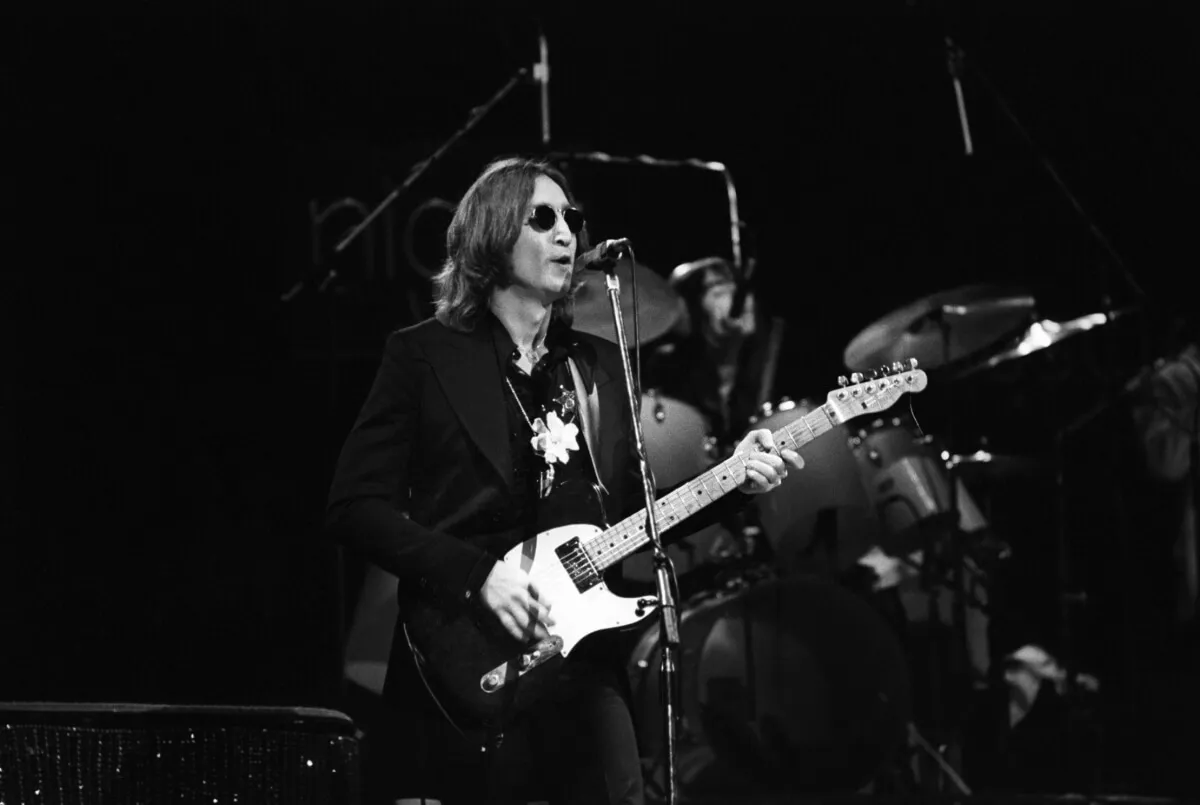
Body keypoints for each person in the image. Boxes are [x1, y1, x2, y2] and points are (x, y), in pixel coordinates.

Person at [325, 156, 805, 805]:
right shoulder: (424, 354)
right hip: (460, 654)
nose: (566, 233)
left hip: (578, 654)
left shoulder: (597, 364)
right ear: (494, 233)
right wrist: (476, 574)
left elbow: (637, 515)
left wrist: (734, 482)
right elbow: (354, 506)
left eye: (572, 219)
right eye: (543, 218)